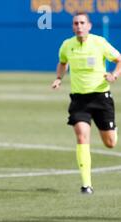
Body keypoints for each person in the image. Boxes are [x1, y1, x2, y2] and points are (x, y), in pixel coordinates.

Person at [52, 12, 121, 195]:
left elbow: (119, 59)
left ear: (89, 25)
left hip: (101, 97)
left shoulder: (99, 43)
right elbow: (62, 62)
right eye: (75, 23)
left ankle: (113, 130)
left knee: (111, 143)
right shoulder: (67, 45)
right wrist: (59, 78)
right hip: (79, 99)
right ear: (72, 26)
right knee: (82, 136)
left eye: (82, 23)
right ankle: (86, 184)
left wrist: (114, 74)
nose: (79, 26)